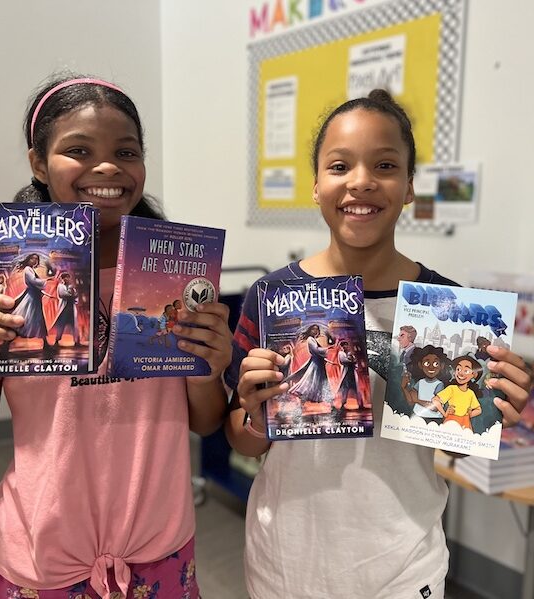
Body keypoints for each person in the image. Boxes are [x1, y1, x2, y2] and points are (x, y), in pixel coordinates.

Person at [224, 89, 532, 599]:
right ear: (317, 185)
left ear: (409, 186)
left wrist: (494, 409)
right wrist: (256, 415)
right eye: (340, 165)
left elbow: (455, 427)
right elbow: (241, 437)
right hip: (285, 564)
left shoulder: (447, 307)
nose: (361, 181)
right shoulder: (271, 297)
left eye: (385, 164)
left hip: (404, 566)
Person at [0, 74, 232, 599]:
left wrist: (209, 367)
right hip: (42, 562)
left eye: (126, 151)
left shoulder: (173, 277)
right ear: (37, 163)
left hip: (161, 555)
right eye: (78, 150)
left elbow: (205, 422)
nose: (108, 167)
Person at [432, 355, 483, 431]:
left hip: (465, 423)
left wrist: (469, 414)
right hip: (451, 421)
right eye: (458, 369)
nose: (461, 373)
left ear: (473, 375)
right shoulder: (452, 389)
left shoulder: (470, 393)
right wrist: (445, 413)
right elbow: (435, 400)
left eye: (466, 371)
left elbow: (478, 410)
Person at [402, 344, 449, 423]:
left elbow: (436, 407)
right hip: (417, 416)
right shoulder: (420, 382)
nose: (431, 367)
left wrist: (418, 400)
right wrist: (404, 387)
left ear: (442, 366)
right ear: (420, 365)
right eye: (427, 363)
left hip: (433, 419)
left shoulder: (439, 384)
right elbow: (410, 401)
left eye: (435, 364)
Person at [51, 271, 81, 347]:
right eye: (65, 278)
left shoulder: (72, 286)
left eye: (68, 277)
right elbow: (63, 294)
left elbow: (76, 296)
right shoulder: (60, 286)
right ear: (62, 279)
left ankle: (77, 341)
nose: (67, 279)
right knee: (61, 325)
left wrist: (73, 295)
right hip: (64, 309)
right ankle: (57, 341)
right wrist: (71, 294)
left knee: (74, 326)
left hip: (71, 308)